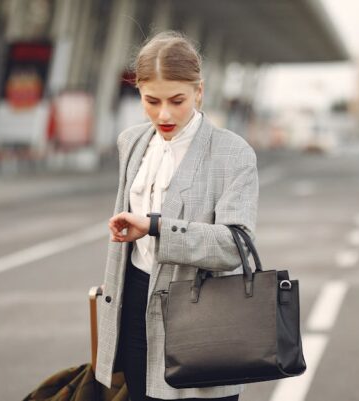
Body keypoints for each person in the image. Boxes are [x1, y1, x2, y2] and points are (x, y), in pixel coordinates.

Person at [95, 31, 259, 401]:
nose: (164, 114)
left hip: (202, 314)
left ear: (199, 92)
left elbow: (236, 247)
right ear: (137, 91)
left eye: (177, 100)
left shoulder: (233, 153)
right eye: (151, 100)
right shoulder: (132, 142)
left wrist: (155, 227)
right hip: (134, 307)